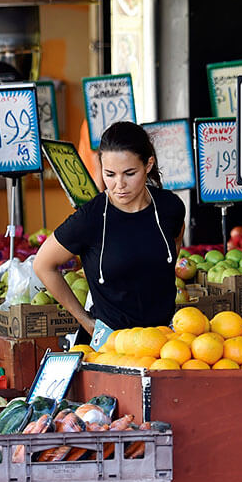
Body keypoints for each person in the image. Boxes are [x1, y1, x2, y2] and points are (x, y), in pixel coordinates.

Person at [33, 121, 186, 337]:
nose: (119, 185)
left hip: (164, 342)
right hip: (110, 345)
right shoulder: (91, 218)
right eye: (110, 174)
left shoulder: (171, 207)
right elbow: (42, 265)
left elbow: (173, 248)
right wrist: (85, 321)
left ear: (148, 165)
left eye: (129, 173)